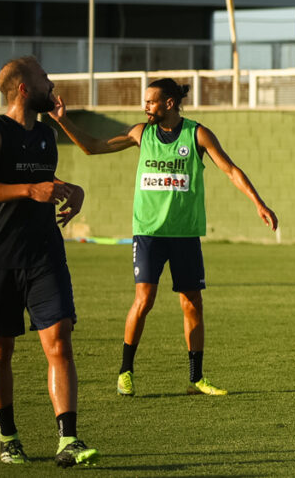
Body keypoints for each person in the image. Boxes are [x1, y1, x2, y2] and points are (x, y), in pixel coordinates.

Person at [50, 78, 278, 397]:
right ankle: (125, 372)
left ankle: (196, 378)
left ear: (169, 103)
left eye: (150, 102)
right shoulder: (140, 133)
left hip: (185, 234)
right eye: (145, 102)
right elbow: (93, 147)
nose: (145, 107)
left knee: (192, 303)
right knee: (144, 300)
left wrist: (258, 203)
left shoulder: (197, 134)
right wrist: (64, 121)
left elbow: (230, 170)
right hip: (148, 233)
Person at [0, 57, 98, 467]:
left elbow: (44, 186)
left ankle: (68, 439)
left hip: (45, 257)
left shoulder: (44, 133)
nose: (51, 82)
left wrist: (70, 191)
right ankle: (9, 438)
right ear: (24, 88)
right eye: (44, 77)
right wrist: (28, 189)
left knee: (59, 341)